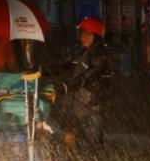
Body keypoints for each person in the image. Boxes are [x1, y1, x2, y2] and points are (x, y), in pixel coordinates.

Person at [45, 16, 113, 148]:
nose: (83, 37)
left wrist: (64, 88)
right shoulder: (80, 50)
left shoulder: (101, 57)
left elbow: (84, 78)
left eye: (88, 34)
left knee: (93, 143)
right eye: (82, 33)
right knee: (69, 134)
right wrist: (42, 70)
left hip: (94, 105)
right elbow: (63, 65)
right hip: (77, 102)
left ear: (98, 37)